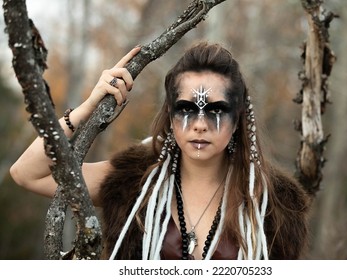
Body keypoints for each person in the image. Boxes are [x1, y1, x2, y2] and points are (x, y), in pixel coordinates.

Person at [10, 41, 312, 260]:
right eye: (186, 109)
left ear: (238, 120)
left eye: (216, 111)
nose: (200, 124)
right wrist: (89, 107)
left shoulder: (274, 203)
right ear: (170, 115)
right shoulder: (134, 181)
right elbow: (27, 173)